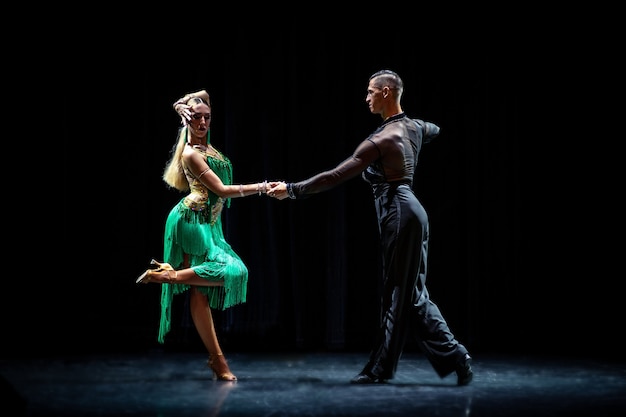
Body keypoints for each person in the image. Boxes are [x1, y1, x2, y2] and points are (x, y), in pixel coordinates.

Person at [268, 70, 473, 385]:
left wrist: (292, 189)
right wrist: (417, 133)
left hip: (399, 212)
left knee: (400, 293)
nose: (366, 98)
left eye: (370, 92)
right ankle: (423, 362)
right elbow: (435, 129)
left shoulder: (381, 139)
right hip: (413, 212)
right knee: (410, 293)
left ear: (387, 92)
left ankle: (432, 359)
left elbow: (335, 175)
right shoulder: (415, 127)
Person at [137, 89, 275, 381]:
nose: (202, 122)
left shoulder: (206, 145)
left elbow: (204, 93)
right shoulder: (190, 153)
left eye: (207, 117)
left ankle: (217, 361)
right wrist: (263, 187)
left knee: (204, 288)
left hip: (209, 224)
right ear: (188, 122)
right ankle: (169, 277)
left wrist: (180, 103)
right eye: (196, 117)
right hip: (190, 221)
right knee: (232, 271)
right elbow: (223, 191)